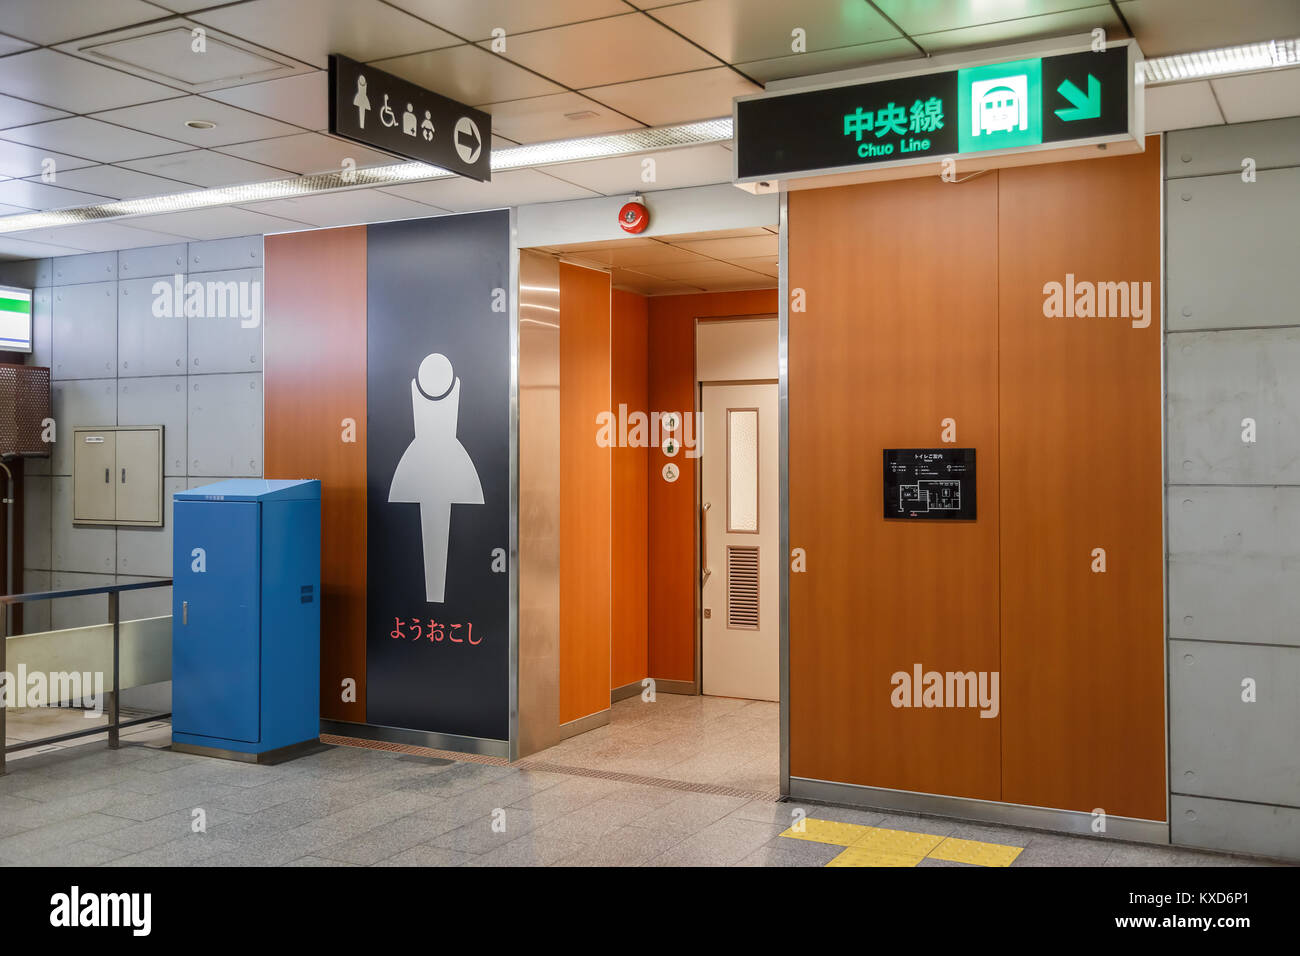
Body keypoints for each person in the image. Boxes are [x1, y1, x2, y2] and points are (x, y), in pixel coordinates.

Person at [389, 353, 483, 603]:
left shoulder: (454, 387)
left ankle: (436, 595)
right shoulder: (416, 388)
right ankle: (434, 595)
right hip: (427, 462)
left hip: (446, 463)